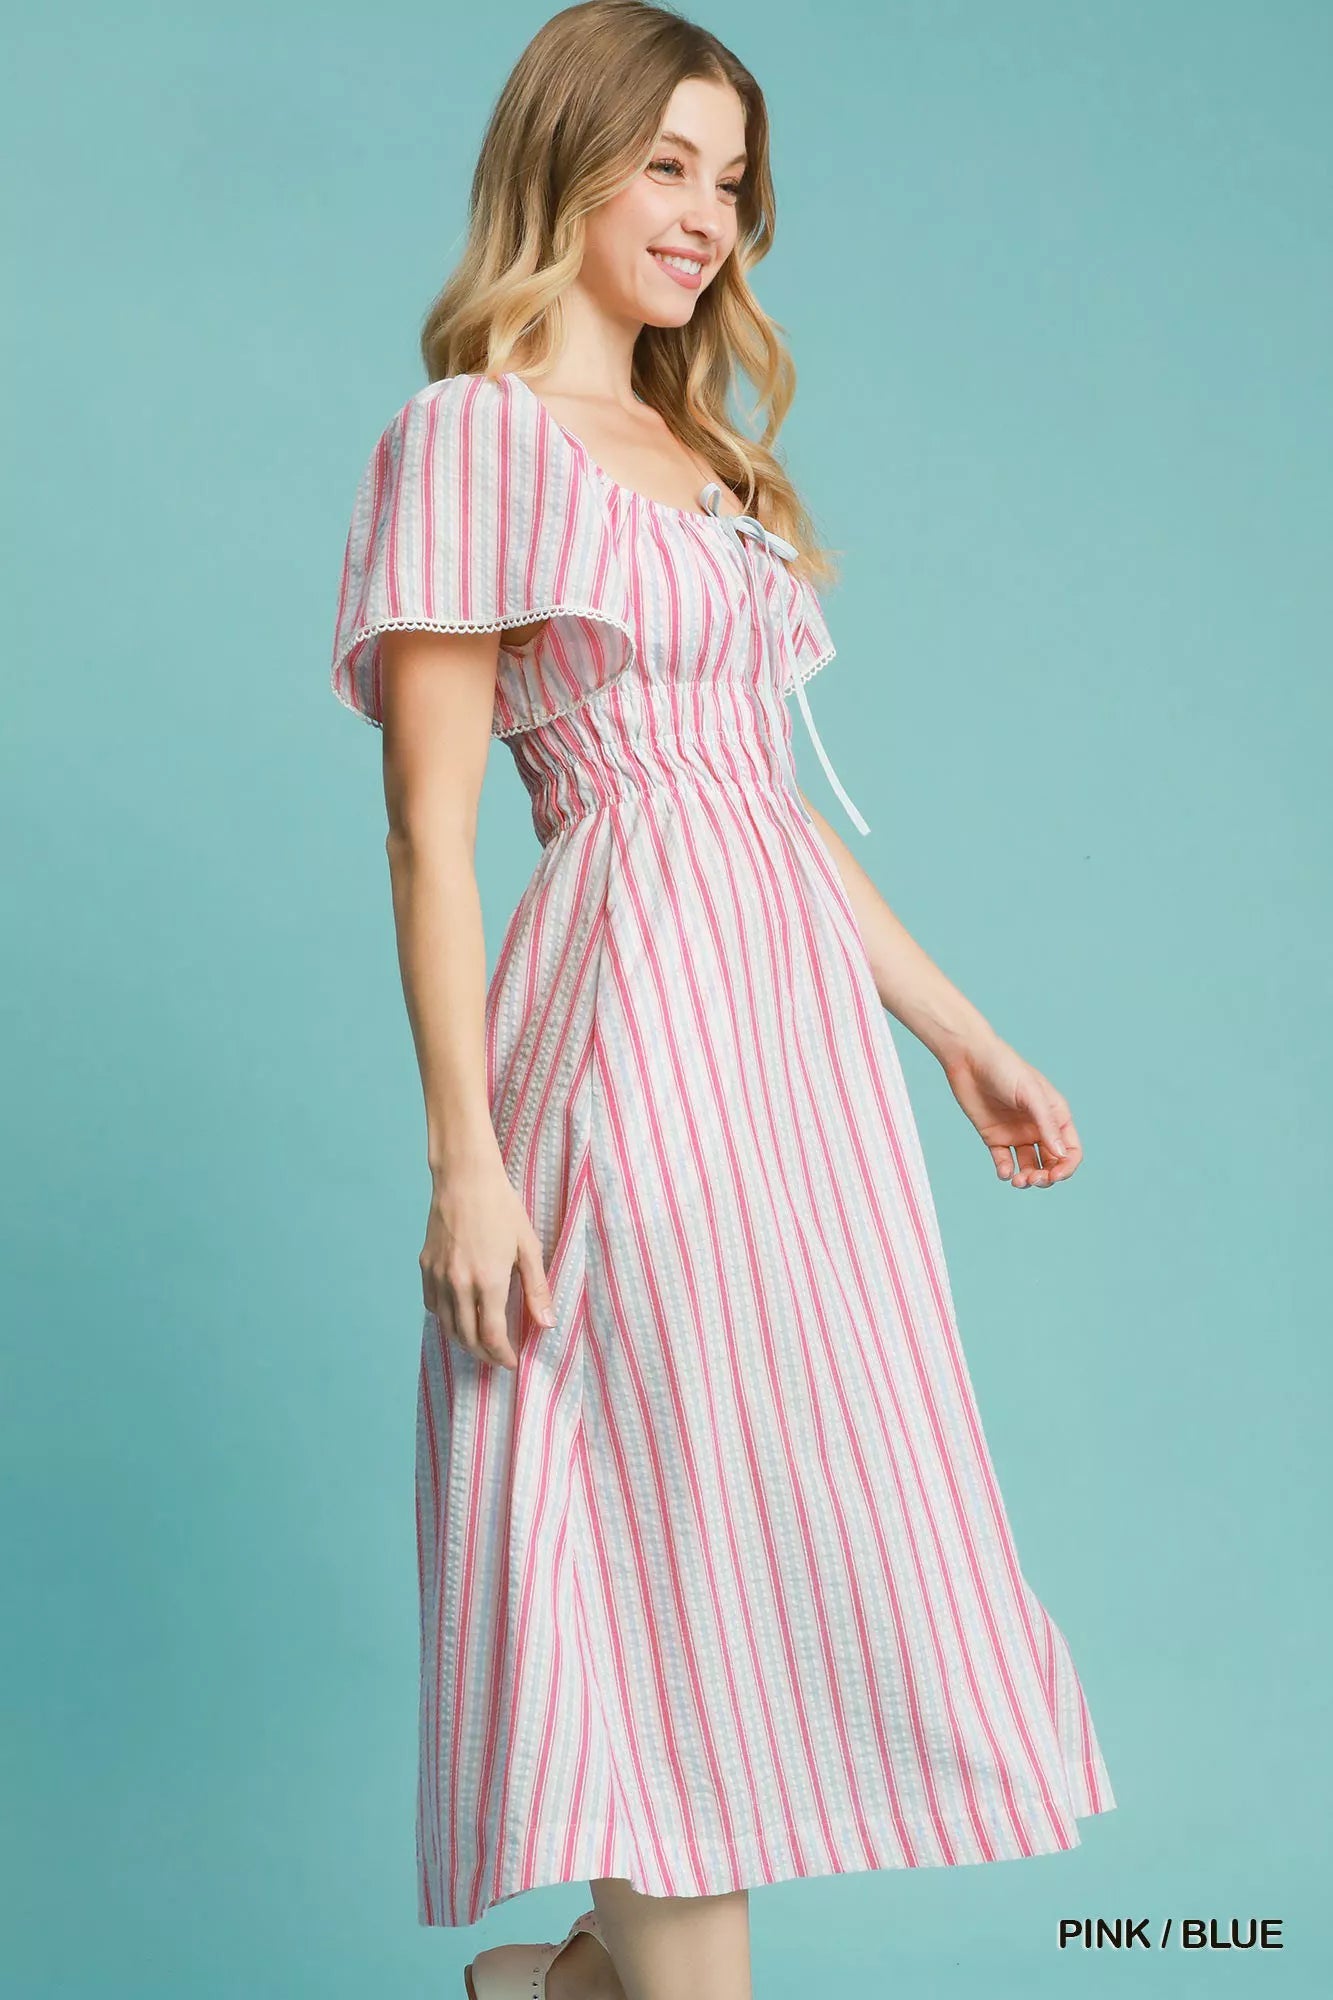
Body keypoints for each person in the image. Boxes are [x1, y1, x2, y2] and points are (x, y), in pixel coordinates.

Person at [328, 4, 1117, 1995]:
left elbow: (757, 803)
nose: (705, 215)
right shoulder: (469, 437)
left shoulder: (701, 456)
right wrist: (468, 1162)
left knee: (751, 1530)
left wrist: (957, 1034)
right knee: (635, 1516)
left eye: (733, 179)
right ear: (568, 158)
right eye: (667, 164)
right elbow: (432, 830)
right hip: (621, 1045)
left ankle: (569, 1984)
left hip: (791, 1070)